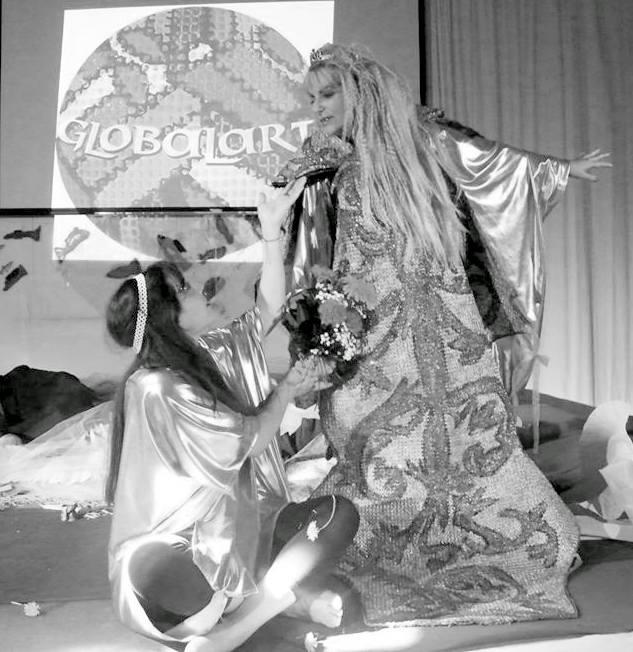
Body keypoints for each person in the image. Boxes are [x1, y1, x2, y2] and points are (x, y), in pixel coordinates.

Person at [275, 43, 611, 627]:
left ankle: (470, 541)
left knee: (464, 439)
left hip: (439, 327)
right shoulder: (324, 162)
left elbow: (490, 160)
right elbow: (313, 242)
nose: (317, 107)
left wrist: (556, 168)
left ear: (362, 93)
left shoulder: (423, 145)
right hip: (373, 332)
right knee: (372, 439)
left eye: (327, 94)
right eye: (311, 98)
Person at [106, 176, 360, 652]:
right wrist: (288, 389)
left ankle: (238, 622)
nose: (200, 290)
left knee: (334, 516)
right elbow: (252, 438)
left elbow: (268, 308)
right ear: (169, 319)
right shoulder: (157, 387)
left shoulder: (210, 351)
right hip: (176, 553)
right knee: (169, 578)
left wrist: (272, 234)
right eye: (186, 291)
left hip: (243, 531)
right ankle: (264, 610)